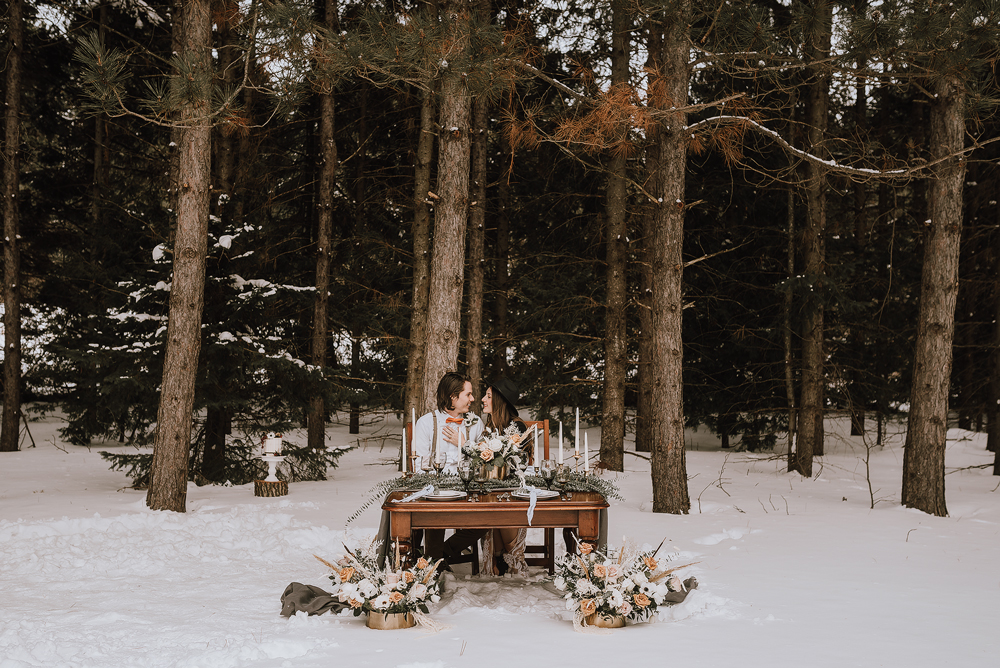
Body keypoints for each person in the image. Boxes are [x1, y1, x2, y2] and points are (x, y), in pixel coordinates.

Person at [442, 377, 530, 576]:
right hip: (488, 490)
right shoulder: (487, 427)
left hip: (511, 492)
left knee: (500, 509)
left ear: (500, 401)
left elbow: (508, 466)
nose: (482, 399)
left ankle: (509, 558)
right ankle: (497, 558)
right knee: (486, 510)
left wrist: (465, 445)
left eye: (488, 396)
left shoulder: (517, 429)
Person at [412, 372, 484, 560]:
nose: (473, 399)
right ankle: (433, 567)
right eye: (468, 394)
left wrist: (465, 444)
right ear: (453, 396)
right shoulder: (426, 423)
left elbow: (484, 460)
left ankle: (439, 555)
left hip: (469, 491)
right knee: (435, 516)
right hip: (437, 493)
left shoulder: (476, 423)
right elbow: (419, 466)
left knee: (486, 520)